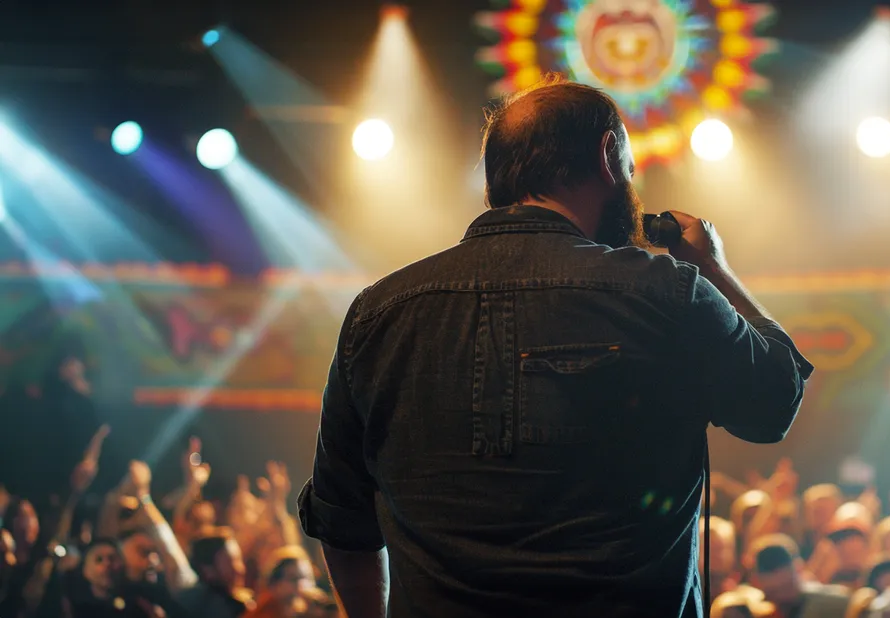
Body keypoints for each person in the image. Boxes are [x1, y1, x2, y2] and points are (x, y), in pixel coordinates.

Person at [298, 75, 814, 618]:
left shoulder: (377, 313)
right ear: (608, 155)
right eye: (632, 170)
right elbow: (774, 402)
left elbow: (343, 521)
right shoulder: (667, 291)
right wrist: (713, 268)